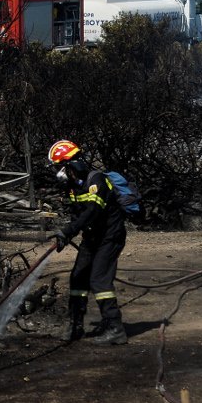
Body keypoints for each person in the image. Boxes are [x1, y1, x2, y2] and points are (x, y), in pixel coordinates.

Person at [48, 140, 128, 345]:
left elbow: (92, 211)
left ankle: (115, 328)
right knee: (77, 278)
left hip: (110, 237)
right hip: (92, 238)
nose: (58, 173)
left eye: (59, 167)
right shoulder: (73, 187)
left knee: (99, 281)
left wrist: (68, 231)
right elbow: (79, 217)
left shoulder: (97, 181)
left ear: (69, 165)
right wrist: (65, 237)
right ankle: (76, 325)